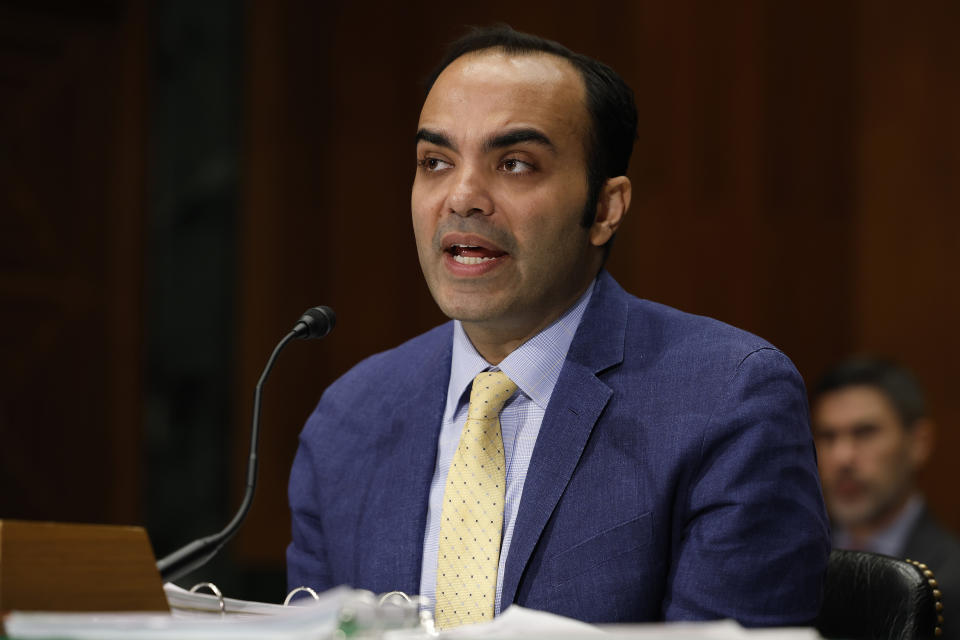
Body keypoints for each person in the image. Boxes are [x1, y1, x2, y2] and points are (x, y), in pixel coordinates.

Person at [287, 26, 829, 628]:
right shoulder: (348, 419)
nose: (462, 197)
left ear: (604, 209)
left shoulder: (727, 400)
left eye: (515, 164)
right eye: (435, 162)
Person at [812, 357, 960, 637]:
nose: (842, 457)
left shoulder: (952, 578)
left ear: (919, 442)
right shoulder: (794, 559)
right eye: (827, 436)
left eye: (864, 432)